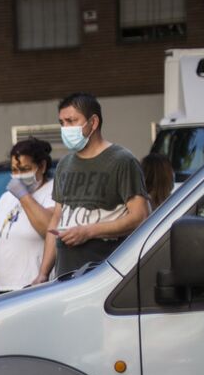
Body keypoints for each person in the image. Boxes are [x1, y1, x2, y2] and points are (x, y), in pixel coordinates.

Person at [44, 93, 151, 278]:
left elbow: (140, 216)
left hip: (103, 278)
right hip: (65, 276)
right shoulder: (64, 164)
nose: (65, 128)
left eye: (71, 121)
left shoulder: (122, 160)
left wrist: (89, 231)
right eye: (62, 123)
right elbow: (57, 218)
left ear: (93, 123)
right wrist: (43, 273)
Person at [0, 138, 57, 292]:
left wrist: (23, 196)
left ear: (42, 166)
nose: (18, 176)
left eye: (25, 169)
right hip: (1, 288)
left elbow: (49, 228)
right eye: (14, 170)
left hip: (34, 288)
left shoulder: (53, 191)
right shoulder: (6, 197)